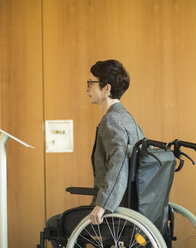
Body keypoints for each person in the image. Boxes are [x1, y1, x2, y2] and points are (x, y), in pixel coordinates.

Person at [46, 59, 144, 246]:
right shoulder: (128, 119)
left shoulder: (112, 120)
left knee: (54, 224)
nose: (87, 88)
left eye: (90, 83)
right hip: (133, 208)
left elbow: (120, 163)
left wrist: (103, 205)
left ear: (106, 88)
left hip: (115, 212)